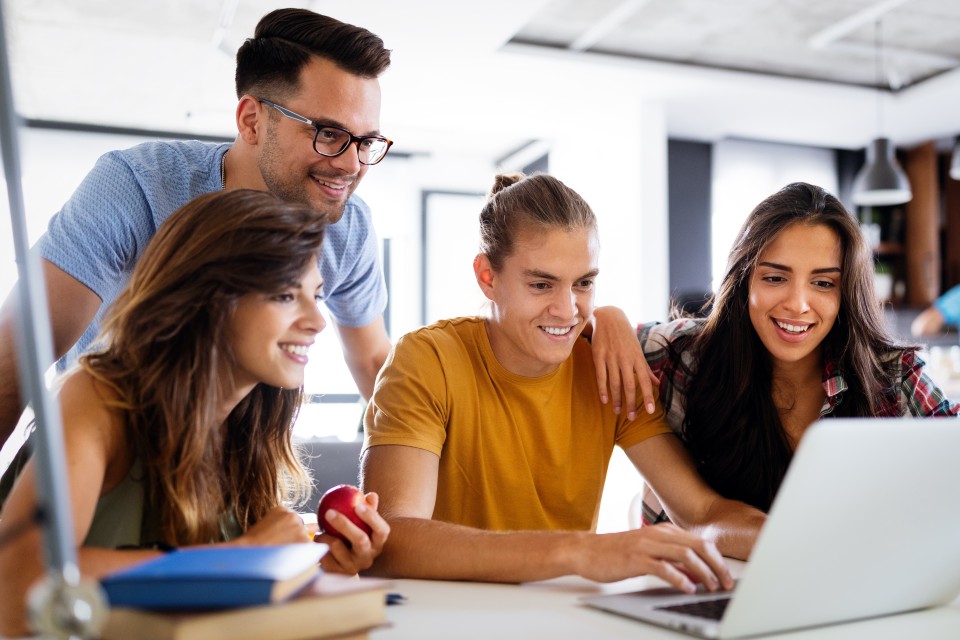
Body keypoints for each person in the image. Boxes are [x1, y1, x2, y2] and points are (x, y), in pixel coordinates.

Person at [0, 8, 394, 454]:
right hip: (109, 451)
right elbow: (18, 353)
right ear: (251, 121)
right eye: (328, 133)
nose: (351, 164)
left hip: (235, 469)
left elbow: (375, 364)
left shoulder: (348, 226)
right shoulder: (136, 186)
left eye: (366, 142)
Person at [0, 190, 390, 638]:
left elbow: (220, 603)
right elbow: (21, 587)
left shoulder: (250, 431)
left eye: (315, 296)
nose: (318, 321)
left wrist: (325, 569)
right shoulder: (100, 397)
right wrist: (240, 561)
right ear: (206, 300)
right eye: (285, 295)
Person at [360, 172, 765, 588]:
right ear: (487, 277)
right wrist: (580, 550)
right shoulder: (426, 360)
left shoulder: (606, 369)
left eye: (584, 284)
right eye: (541, 284)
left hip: (562, 616)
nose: (568, 310)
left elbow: (702, 513)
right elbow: (392, 538)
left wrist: (802, 540)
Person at [591, 182, 959, 525]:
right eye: (774, 278)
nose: (798, 304)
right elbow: (564, 332)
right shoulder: (682, 355)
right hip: (688, 589)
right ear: (743, 280)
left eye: (823, 283)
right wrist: (605, 317)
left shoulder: (890, 376)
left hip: (839, 586)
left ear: (846, 293)